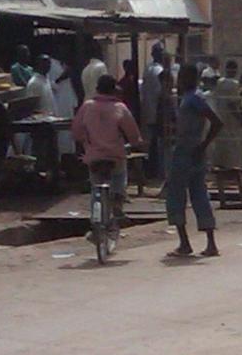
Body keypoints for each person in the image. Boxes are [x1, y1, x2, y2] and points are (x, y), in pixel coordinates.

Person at [71, 74, 142, 241]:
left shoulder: (87, 106)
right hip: (115, 157)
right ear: (113, 90)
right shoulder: (120, 107)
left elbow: (76, 132)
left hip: (94, 158)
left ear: (97, 89)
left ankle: (95, 225)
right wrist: (136, 142)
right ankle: (117, 203)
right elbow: (133, 136)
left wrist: (87, 143)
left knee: (96, 188)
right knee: (119, 177)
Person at [162, 63, 220, 258]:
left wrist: (203, 145)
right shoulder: (193, 99)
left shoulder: (192, 99)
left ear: (187, 78)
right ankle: (210, 243)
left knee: (175, 196)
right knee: (199, 195)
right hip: (195, 152)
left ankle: (185, 243)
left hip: (185, 152)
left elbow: (217, 122)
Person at [141, 44, 169, 176]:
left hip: (149, 109)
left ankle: (153, 169)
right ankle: (158, 170)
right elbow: (161, 93)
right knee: (160, 143)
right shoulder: (159, 70)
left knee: (153, 142)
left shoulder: (148, 68)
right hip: (159, 111)